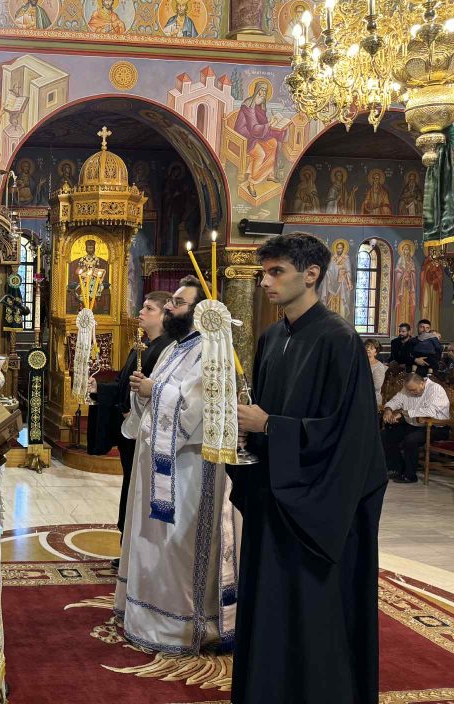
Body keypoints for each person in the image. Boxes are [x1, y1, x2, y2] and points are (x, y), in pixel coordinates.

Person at [232, 232, 387, 704]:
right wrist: (242, 433)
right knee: (269, 603)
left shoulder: (339, 340)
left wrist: (270, 425)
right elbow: (260, 413)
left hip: (318, 506)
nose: (265, 282)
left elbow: (350, 435)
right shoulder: (272, 337)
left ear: (311, 274)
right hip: (273, 494)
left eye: (276, 272)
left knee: (310, 610)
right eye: (264, 273)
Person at [115, 276, 238, 654]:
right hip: (157, 461)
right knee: (152, 540)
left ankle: (180, 626)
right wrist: (144, 391)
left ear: (199, 312)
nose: (170, 307)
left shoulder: (210, 351)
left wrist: (154, 390)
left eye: (178, 303)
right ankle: (145, 614)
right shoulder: (174, 348)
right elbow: (160, 394)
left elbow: (197, 408)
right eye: (170, 302)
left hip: (188, 469)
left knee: (176, 546)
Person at [111, 290, 172, 560]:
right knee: (130, 488)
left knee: (140, 491)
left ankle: (136, 554)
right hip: (130, 430)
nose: (141, 312)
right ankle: (126, 551)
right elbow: (125, 384)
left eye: (148, 308)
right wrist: (100, 390)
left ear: (164, 315)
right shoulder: (143, 345)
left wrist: (136, 410)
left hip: (146, 434)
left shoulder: (167, 350)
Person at [382, 368, 450, 483]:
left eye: (413, 390)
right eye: (409, 390)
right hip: (415, 424)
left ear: (422, 383)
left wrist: (403, 413)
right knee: (385, 435)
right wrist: (388, 409)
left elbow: (430, 411)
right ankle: (396, 468)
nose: (411, 392)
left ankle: (410, 475)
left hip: (436, 427)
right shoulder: (408, 388)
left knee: (411, 439)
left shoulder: (435, 389)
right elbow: (396, 400)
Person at [365, 339, 387, 408]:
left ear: (376, 352)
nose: (368, 349)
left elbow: (376, 387)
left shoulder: (378, 366)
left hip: (372, 399)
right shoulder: (360, 363)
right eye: (366, 347)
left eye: (371, 348)